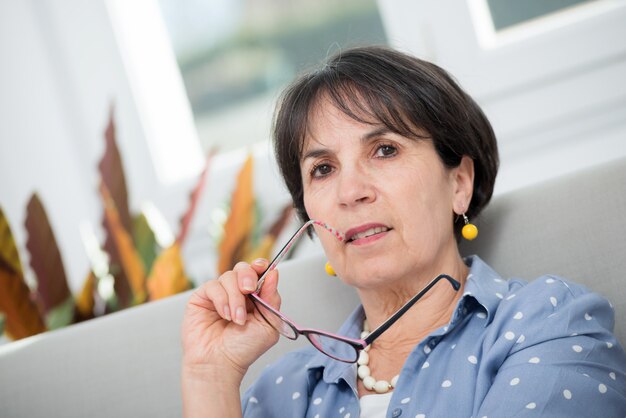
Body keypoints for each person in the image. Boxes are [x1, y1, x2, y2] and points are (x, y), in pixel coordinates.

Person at [181, 46, 626, 417]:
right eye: (322, 169)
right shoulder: (279, 392)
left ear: (459, 183)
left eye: (385, 149)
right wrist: (211, 376)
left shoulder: (548, 322)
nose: (350, 191)